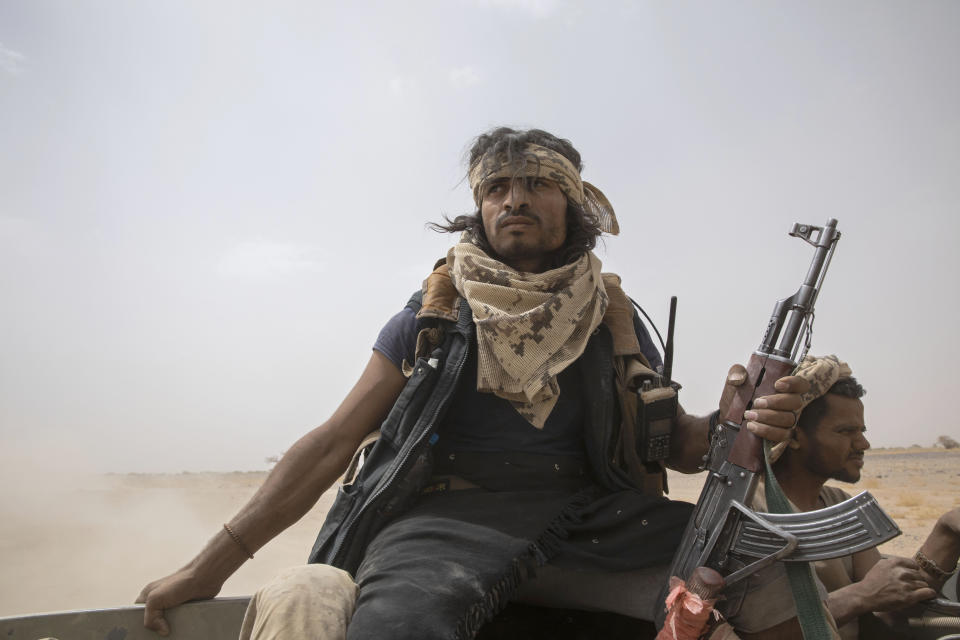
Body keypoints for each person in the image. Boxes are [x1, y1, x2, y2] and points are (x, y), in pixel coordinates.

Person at [136, 127, 810, 639]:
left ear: (573, 203)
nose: (514, 199)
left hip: (588, 522)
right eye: (496, 188)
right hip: (443, 525)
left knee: (766, 573)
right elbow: (334, 441)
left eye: (537, 184)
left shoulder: (612, 318)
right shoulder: (432, 316)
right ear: (479, 207)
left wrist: (737, 419)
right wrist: (208, 568)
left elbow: (677, 447)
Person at [725, 355, 960, 640]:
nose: (863, 444)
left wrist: (946, 533)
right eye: (846, 431)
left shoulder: (839, 504)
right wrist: (859, 596)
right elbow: (750, 635)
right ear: (795, 436)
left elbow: (890, 611)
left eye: (861, 431)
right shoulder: (751, 513)